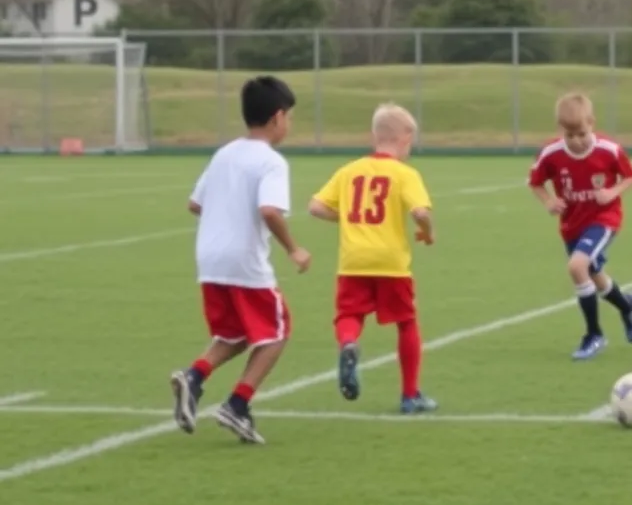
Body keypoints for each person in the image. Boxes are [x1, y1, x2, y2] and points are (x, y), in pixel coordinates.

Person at [170, 76, 310, 445]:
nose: (289, 124)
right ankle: (237, 404)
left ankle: (194, 376)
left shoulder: (225, 153)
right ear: (277, 117)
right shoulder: (272, 162)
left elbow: (195, 203)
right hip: (243, 259)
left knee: (236, 333)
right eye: (289, 117)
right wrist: (293, 248)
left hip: (209, 259)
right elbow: (269, 210)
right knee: (278, 331)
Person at [308, 104, 436, 414]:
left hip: (354, 260)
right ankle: (410, 396)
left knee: (349, 315)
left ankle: (348, 343)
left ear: (374, 136)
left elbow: (315, 207)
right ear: (405, 138)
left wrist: (349, 219)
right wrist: (427, 232)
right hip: (391, 262)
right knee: (406, 323)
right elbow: (420, 212)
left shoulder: (349, 171)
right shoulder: (405, 174)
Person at [529, 93, 632, 359]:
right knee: (593, 275)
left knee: (577, 267)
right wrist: (548, 201)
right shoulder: (551, 153)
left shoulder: (609, 150)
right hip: (572, 224)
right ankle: (627, 305)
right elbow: (535, 182)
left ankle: (594, 335)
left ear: (592, 123)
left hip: (603, 219)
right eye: (569, 135)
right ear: (560, 130)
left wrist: (612, 192)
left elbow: (630, 176)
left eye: (581, 133)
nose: (577, 141)